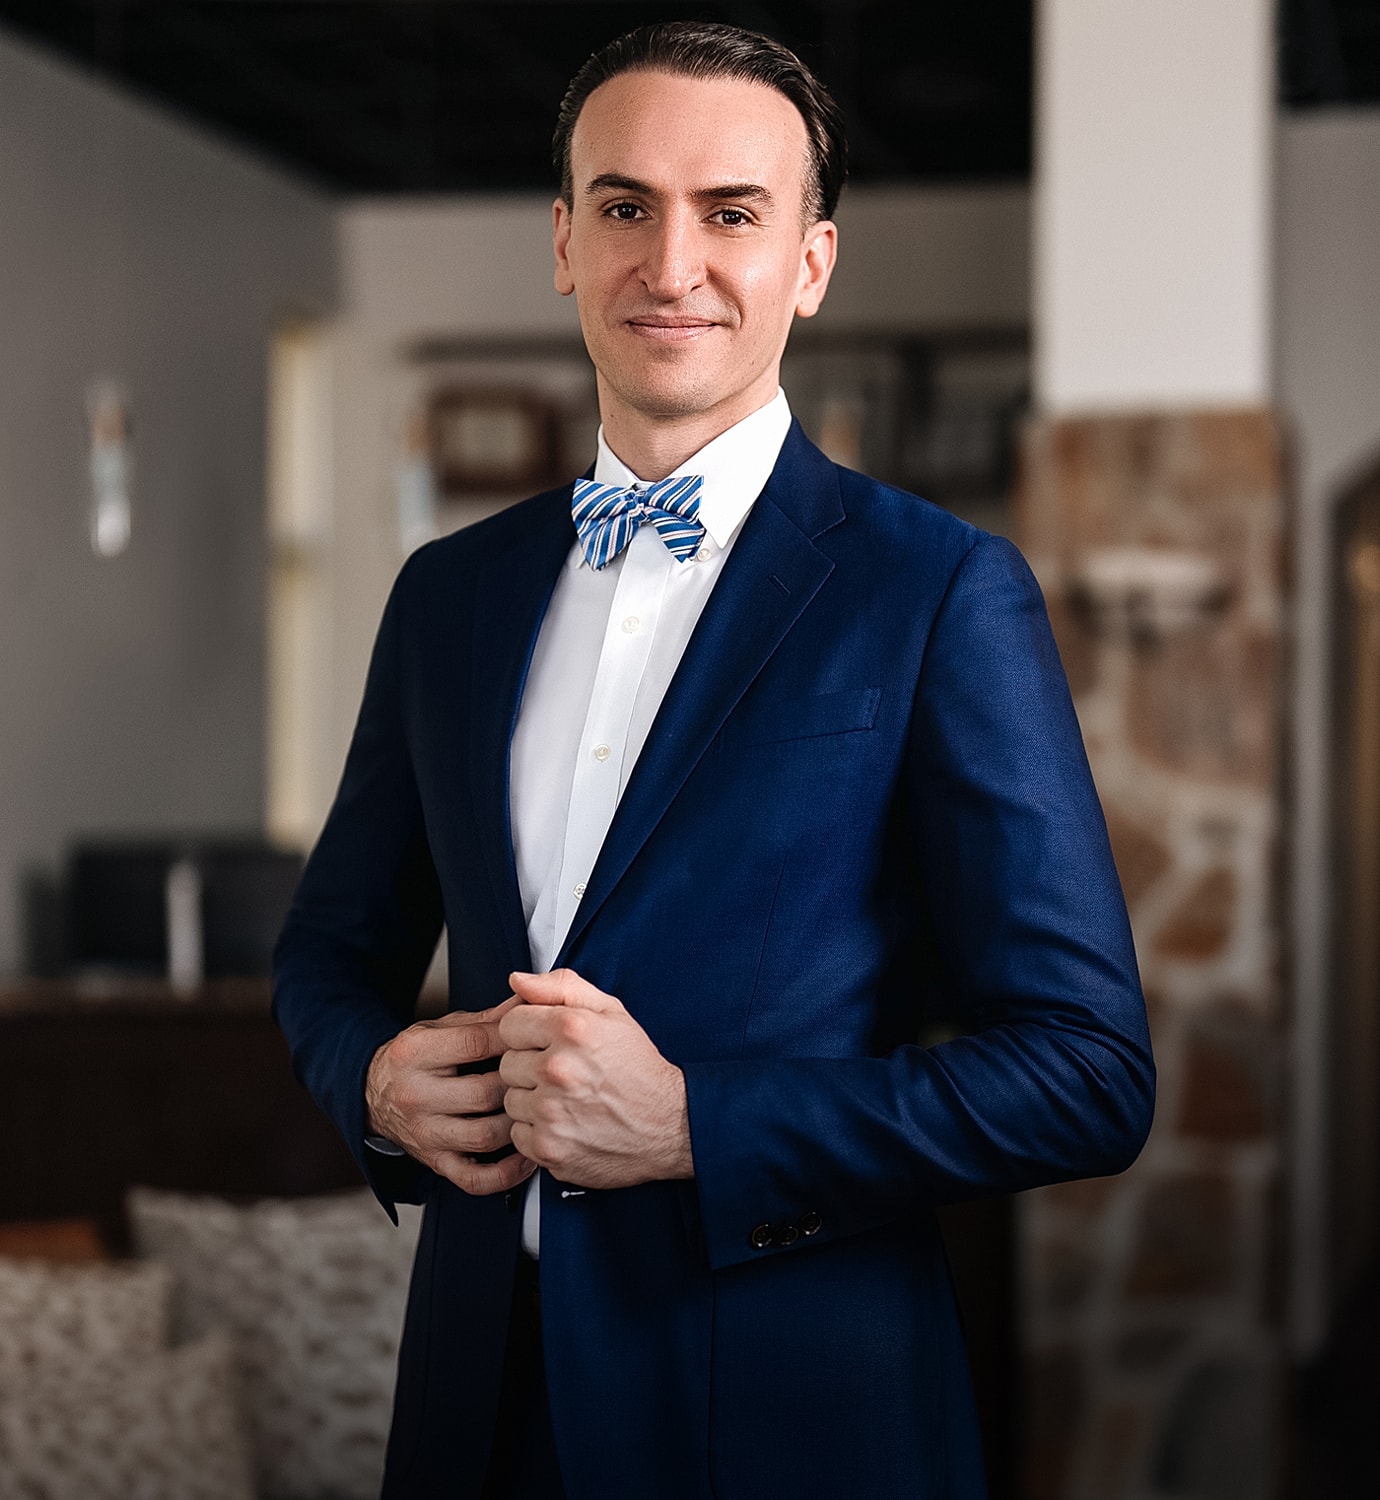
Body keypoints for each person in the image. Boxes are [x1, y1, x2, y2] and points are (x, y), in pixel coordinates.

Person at [273, 21, 1154, 1500]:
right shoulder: (446, 595)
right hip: (477, 1411)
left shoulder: (939, 591)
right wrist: (367, 1078)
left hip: (790, 1415)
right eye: (626, 206)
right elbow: (327, 949)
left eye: (731, 213)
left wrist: (696, 1126)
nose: (670, 263)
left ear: (811, 263)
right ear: (566, 242)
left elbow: (1087, 1074)